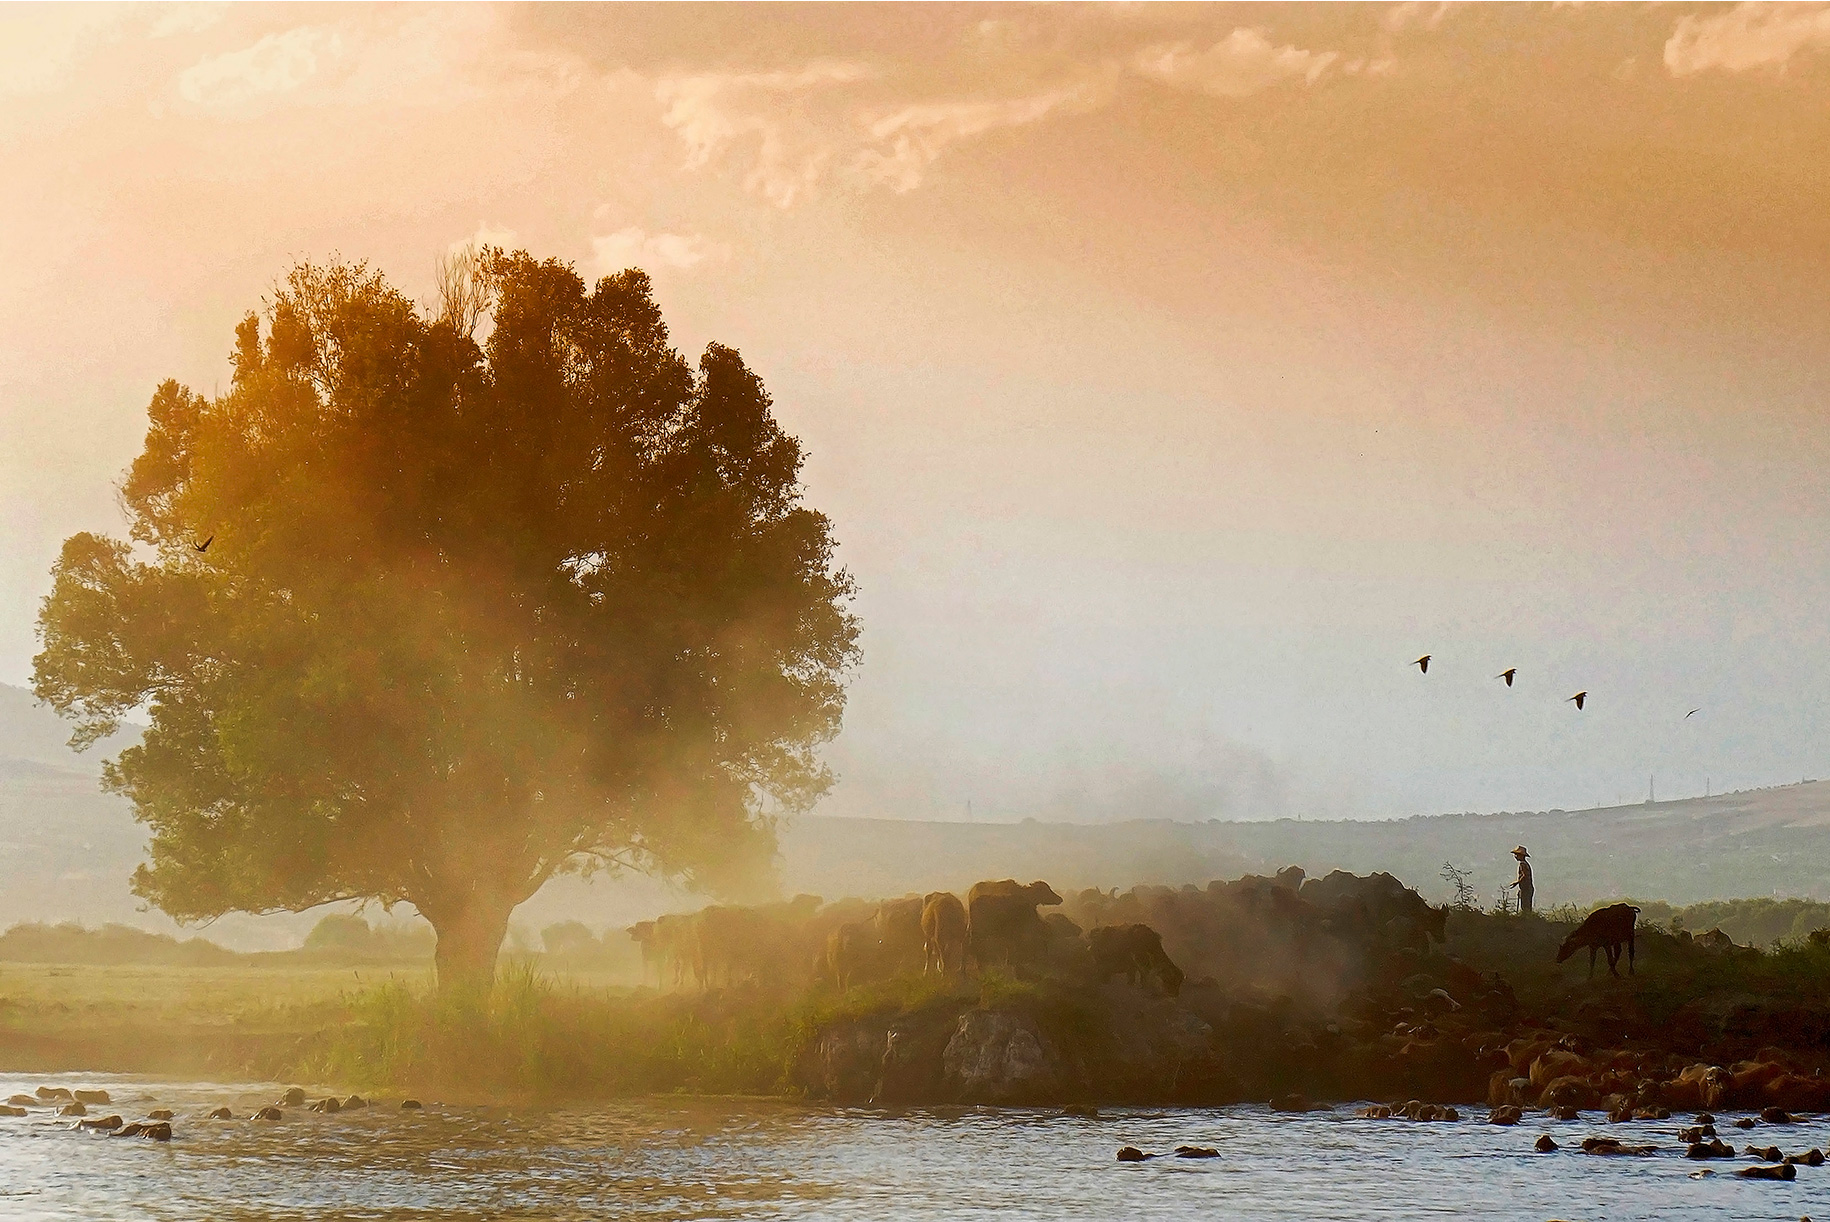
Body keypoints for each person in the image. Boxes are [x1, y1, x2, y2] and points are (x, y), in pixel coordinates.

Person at [1506, 846, 1534, 915]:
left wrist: (1517, 882)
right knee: (1527, 905)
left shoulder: (1522, 864)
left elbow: (1524, 875)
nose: (1515, 856)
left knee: (1525, 906)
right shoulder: (1525, 864)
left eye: (1517, 855)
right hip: (1527, 888)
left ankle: (1527, 920)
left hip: (1526, 888)